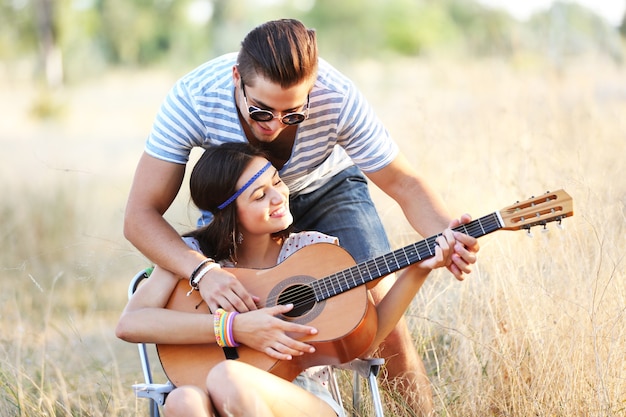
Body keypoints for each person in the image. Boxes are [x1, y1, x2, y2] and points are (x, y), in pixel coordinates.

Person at [123, 18, 479, 415]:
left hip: (325, 185)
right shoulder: (194, 97)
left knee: (380, 313)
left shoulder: (337, 96)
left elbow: (404, 183)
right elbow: (140, 216)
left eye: (292, 115)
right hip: (238, 196)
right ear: (237, 78)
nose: (275, 127)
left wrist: (446, 237)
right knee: (193, 383)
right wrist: (203, 271)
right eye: (262, 113)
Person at [117, 142, 467, 417]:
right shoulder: (193, 256)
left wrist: (418, 269)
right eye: (259, 195)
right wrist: (235, 328)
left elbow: (367, 337)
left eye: (277, 182)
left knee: (227, 378)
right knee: (183, 403)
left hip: (303, 400)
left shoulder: (311, 251)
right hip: (209, 394)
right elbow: (131, 323)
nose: (278, 197)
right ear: (226, 214)